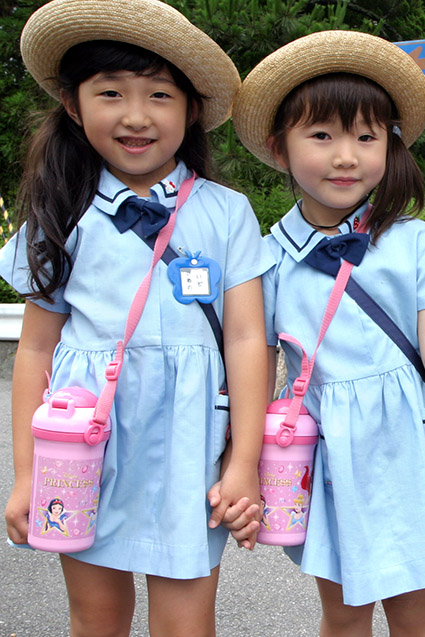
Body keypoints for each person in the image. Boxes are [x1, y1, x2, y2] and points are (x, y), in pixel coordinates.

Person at [0, 0, 272, 634]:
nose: (135, 115)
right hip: (81, 445)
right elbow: (36, 350)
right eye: (111, 93)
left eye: (159, 95)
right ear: (73, 105)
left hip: (190, 443)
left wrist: (244, 461)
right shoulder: (57, 208)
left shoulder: (226, 212)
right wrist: (26, 474)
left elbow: (248, 337)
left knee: (186, 620)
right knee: (95, 615)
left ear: (191, 109)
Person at [231, 31, 425, 637]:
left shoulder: (414, 242)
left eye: (366, 137)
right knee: (343, 613)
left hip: (409, 448)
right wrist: (238, 462)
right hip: (323, 452)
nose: (345, 156)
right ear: (279, 147)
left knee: (414, 612)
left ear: (390, 146)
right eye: (321, 135)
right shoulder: (265, 257)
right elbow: (251, 363)